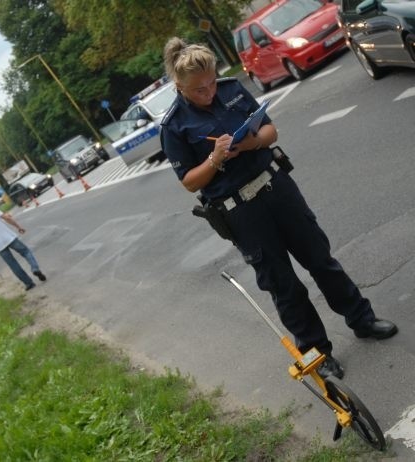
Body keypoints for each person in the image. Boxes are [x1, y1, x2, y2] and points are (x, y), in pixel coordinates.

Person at [160, 37, 397, 379]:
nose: (209, 91)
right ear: (180, 87)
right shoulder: (174, 126)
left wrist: (252, 142)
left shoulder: (231, 90)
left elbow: (270, 130)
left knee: (321, 259)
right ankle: (317, 354)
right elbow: (189, 181)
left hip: (277, 187)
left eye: (212, 82)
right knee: (283, 285)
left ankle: (362, 319)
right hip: (241, 210)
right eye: (199, 89)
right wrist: (214, 158)